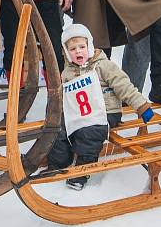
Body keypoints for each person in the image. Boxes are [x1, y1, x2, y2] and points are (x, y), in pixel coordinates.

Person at [48, 23, 154, 190]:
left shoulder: (103, 66)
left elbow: (123, 85)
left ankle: (83, 170)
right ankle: (57, 163)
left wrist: (141, 106)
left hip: (106, 112)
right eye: (73, 49)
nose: (78, 52)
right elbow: (63, 97)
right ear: (66, 53)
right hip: (79, 112)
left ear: (90, 46)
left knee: (89, 132)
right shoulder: (67, 73)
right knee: (60, 129)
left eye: (82, 47)